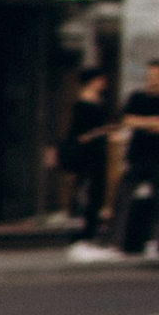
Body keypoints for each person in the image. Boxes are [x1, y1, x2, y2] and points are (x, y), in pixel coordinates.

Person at [58, 67, 117, 258]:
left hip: (97, 153)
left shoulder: (98, 102)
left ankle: (89, 235)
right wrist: (100, 132)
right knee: (88, 194)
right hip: (87, 155)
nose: (103, 82)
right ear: (92, 81)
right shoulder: (81, 105)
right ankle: (82, 237)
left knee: (96, 194)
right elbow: (79, 135)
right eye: (100, 79)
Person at [116, 61, 159, 261]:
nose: (152, 79)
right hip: (137, 156)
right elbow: (127, 120)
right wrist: (153, 122)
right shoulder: (137, 97)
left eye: (156, 75)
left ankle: (156, 242)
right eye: (149, 75)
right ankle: (119, 243)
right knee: (125, 198)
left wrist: (143, 123)